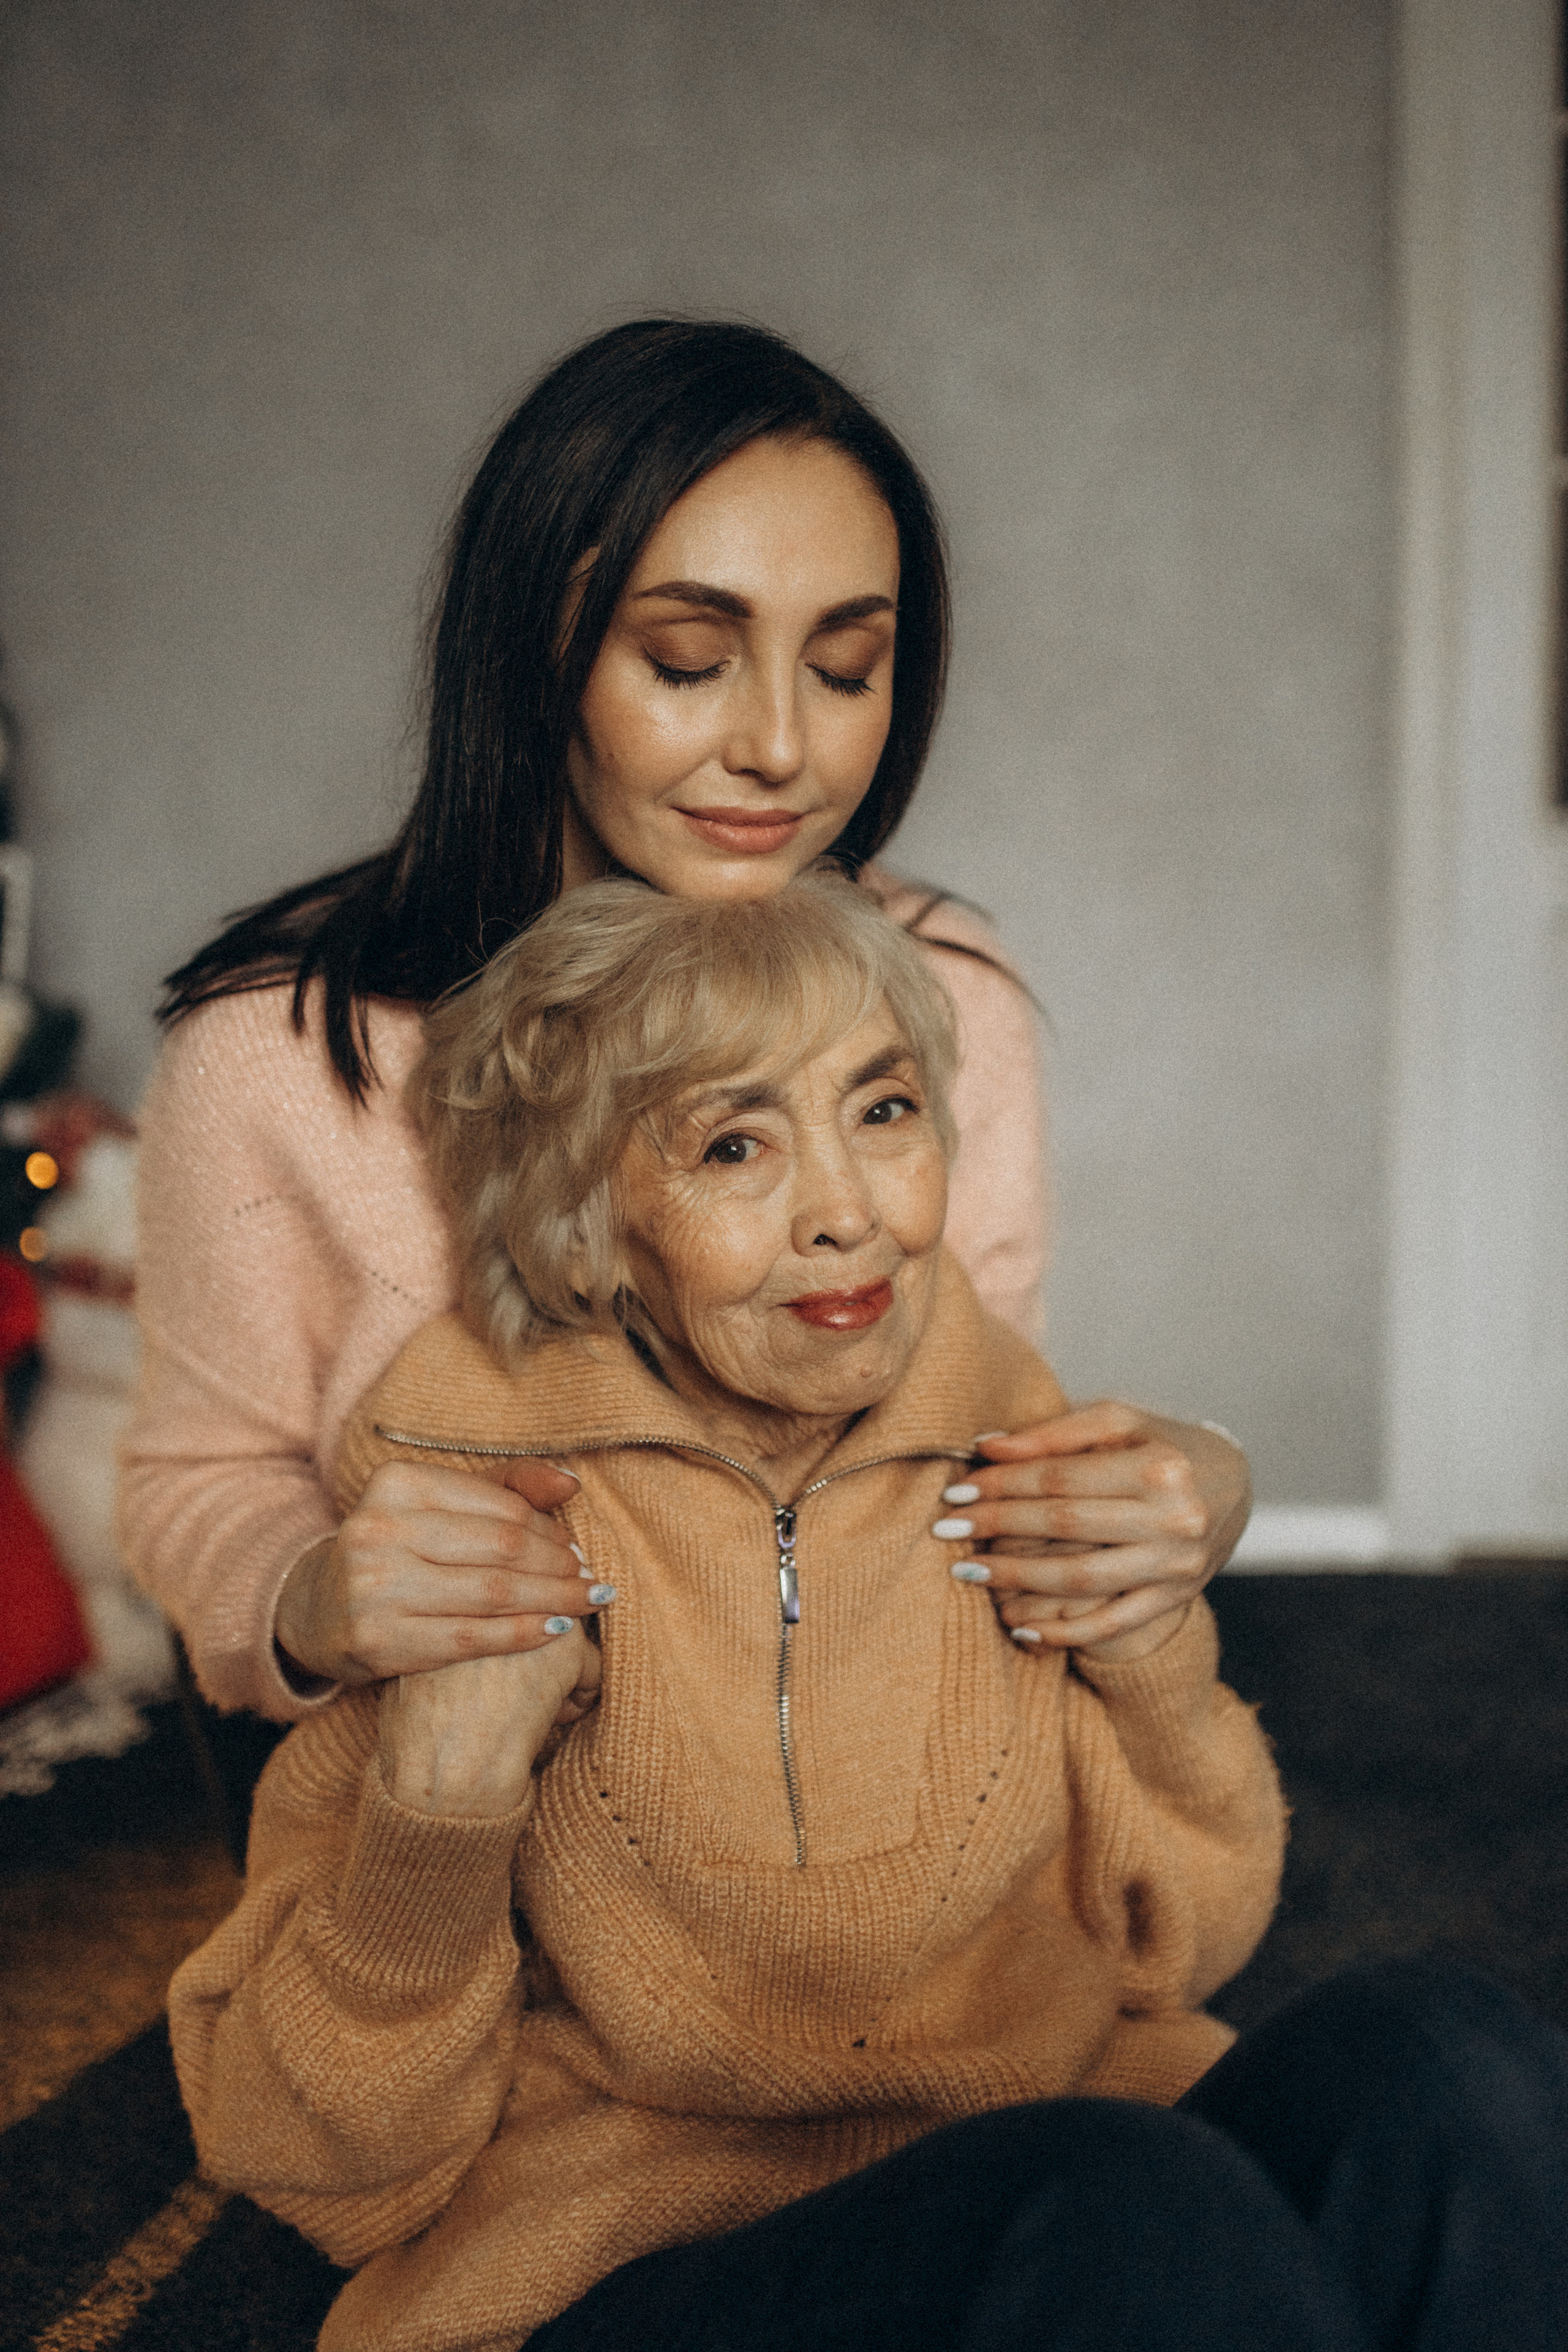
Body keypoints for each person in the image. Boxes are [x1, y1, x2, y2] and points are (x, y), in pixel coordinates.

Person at [168, 877, 1568, 2352]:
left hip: (1075, 2156)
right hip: (642, 2260)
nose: (845, 1214)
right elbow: (328, 2175)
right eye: (732, 1144)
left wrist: (1147, 1640)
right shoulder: (469, 1520)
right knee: (1119, 2202)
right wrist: (440, 1796)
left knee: (1446, 2052)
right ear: (593, 1219)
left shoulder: (1015, 1459)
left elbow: (1173, 1953)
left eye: (883, 1114)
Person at [117, 317, 1251, 1725]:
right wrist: (308, 1595)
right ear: (537, 650)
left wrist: (1196, 1474)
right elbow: (201, 1477)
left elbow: (959, 1412)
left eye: (843, 669)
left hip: (849, 1786)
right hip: (448, 1821)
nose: (779, 744)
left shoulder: (943, 985)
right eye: (685, 659)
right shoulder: (283, 1052)